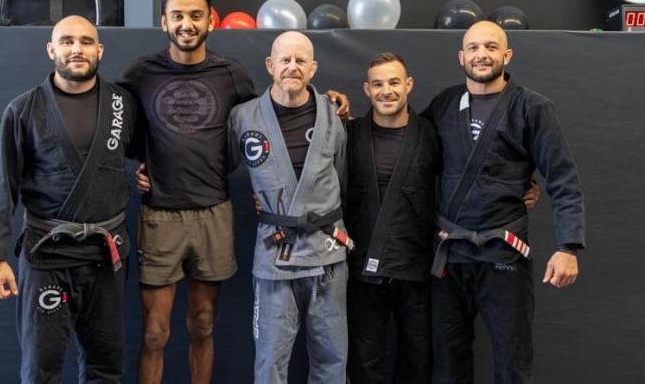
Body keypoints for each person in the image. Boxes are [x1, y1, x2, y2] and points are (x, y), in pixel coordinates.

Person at [121, 0, 349, 384]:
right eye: (178, 15)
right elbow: (114, 127)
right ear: (164, 22)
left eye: (195, 15)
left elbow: (261, 128)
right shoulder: (140, 73)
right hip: (160, 214)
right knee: (154, 333)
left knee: (203, 322)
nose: (187, 24)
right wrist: (138, 167)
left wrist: (331, 106)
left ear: (210, 21)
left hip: (214, 211)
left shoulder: (231, 74)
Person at [0, 15, 138, 383]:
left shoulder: (122, 104)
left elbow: (147, 149)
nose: (76, 49)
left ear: (99, 50)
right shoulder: (23, 109)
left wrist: (148, 174)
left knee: (106, 368)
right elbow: (1, 185)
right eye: (67, 41)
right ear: (52, 50)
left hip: (106, 255)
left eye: (86, 41)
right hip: (47, 256)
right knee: (41, 370)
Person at [424, 21, 585, 384]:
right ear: (461, 57)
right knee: (448, 365)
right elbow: (409, 148)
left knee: (512, 363)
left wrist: (568, 246)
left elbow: (563, 179)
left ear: (507, 55)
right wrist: (345, 118)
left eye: (491, 47)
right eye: (474, 48)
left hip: (504, 255)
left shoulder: (532, 107)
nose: (482, 55)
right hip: (450, 255)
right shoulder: (444, 104)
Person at [228, 31, 351, 384]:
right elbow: (213, 167)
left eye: (301, 60)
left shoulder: (334, 115)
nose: (292, 67)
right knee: (270, 361)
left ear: (313, 68)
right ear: (271, 65)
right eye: (285, 60)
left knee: (332, 359)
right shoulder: (243, 117)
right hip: (275, 253)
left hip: (326, 251)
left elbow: (342, 176)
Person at [344, 53, 438, 384]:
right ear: (367, 89)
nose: (387, 91)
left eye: (394, 82)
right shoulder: (349, 133)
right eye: (378, 84)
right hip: (361, 266)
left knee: (417, 360)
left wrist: (521, 186)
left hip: (416, 267)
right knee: (364, 362)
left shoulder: (431, 134)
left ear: (408, 84)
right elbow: (313, 171)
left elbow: (465, 176)